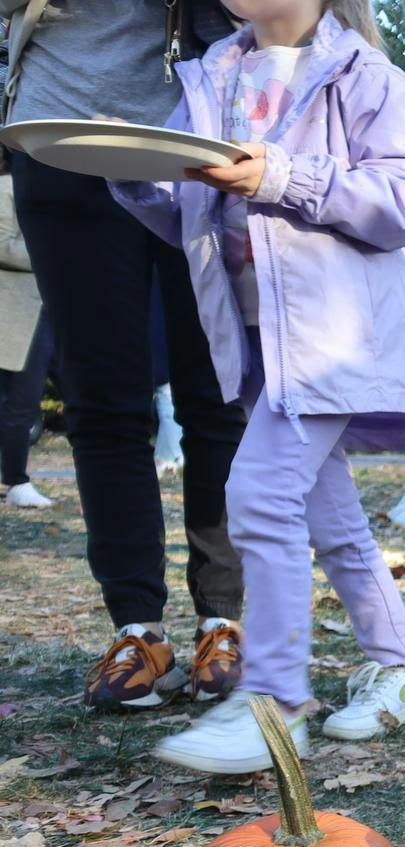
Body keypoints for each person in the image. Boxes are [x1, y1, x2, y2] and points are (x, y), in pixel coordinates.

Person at [111, 0, 405, 773]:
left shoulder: (367, 76)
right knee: (330, 515)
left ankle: (273, 700)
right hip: (264, 337)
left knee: (259, 492)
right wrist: (137, 178)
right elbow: (193, 211)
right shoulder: (212, 77)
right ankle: (404, 666)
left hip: (335, 337)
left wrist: (283, 176)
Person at [5, 0, 248, 709]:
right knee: (101, 396)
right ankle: (136, 630)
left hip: (207, 134)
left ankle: (223, 622)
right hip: (63, 128)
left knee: (217, 389)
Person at [0, 156, 52, 508]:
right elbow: (3, 244)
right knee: (19, 399)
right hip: (15, 309)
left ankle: (16, 479)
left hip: (42, 309)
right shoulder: (6, 187)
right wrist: (53, 256)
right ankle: (16, 481)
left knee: (24, 400)